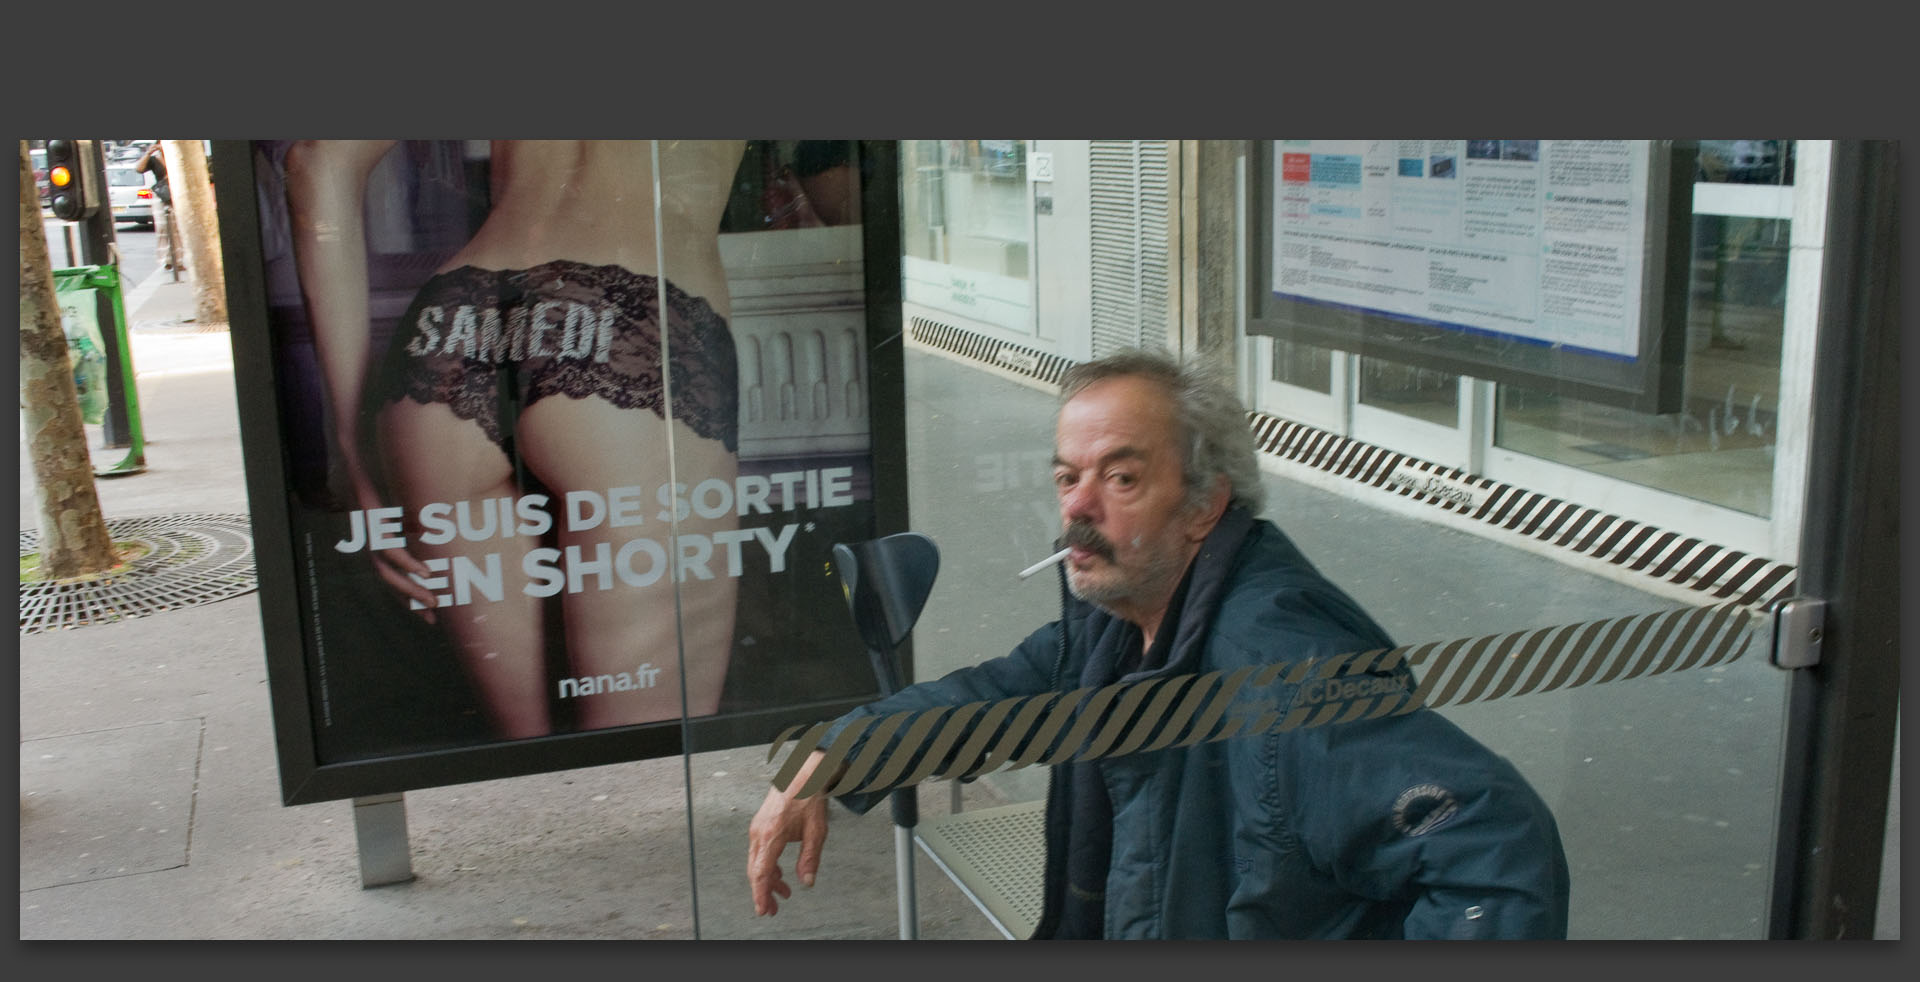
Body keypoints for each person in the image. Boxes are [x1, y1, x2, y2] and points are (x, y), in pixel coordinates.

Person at [747, 349, 1571, 938]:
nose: (1080, 507)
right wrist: (831, 756)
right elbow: (991, 700)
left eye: (1123, 477)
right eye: (1068, 477)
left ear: (1205, 505)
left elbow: (1494, 849)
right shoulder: (1114, 618)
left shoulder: (1280, 660)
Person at [283, 140, 745, 739]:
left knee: (529, 765)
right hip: (632, 312)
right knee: (649, 762)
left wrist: (350, 447)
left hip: (453, 325)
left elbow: (317, 162)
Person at [133, 142, 178, 271]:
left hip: (177, 192)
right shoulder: (154, 159)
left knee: (177, 227)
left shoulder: (174, 156)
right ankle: (166, 260)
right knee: (163, 227)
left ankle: (178, 260)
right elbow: (139, 169)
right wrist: (148, 153)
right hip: (162, 194)